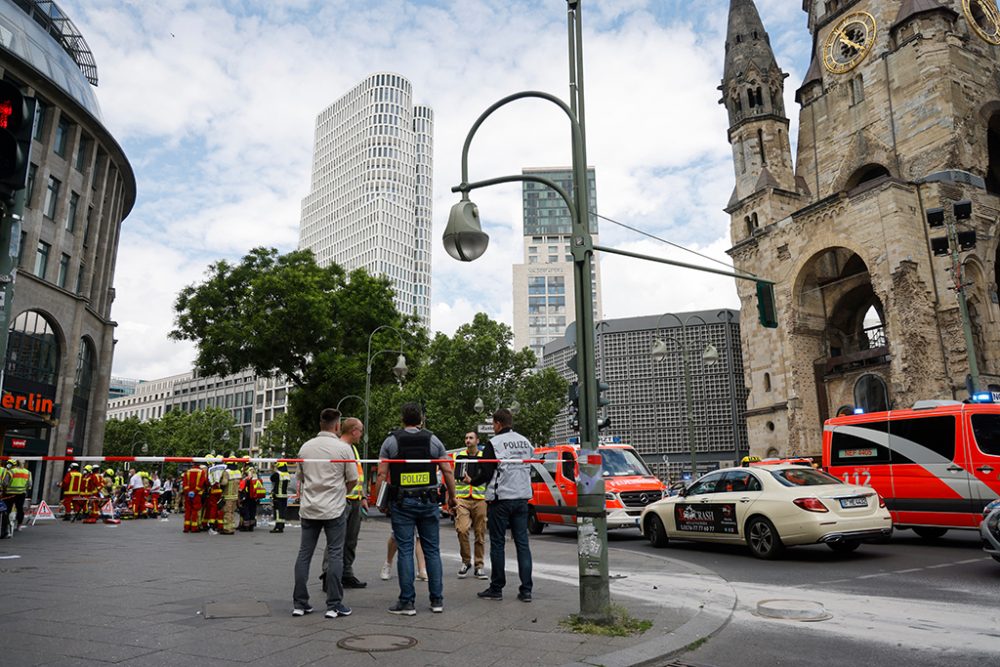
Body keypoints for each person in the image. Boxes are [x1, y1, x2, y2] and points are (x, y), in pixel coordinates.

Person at [377, 402, 456, 616]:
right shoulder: (433, 440)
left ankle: (407, 603)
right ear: (421, 420)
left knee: (405, 550)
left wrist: (381, 503)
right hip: (429, 501)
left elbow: (382, 474)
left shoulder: (391, 441)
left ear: (402, 419)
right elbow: (447, 471)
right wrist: (453, 498)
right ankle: (437, 600)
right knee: (432, 550)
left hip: (402, 502)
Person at [292, 408, 357, 619]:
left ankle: (300, 603)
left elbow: (299, 478)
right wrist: (341, 493)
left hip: (309, 508)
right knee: (336, 554)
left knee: (304, 554)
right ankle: (334, 604)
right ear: (337, 426)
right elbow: (353, 479)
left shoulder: (305, 447)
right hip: (334, 509)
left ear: (321, 424)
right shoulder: (343, 449)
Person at [469, 408, 534, 603]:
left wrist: (471, 480)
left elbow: (486, 473)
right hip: (522, 499)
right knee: (522, 544)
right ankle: (526, 590)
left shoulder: (494, 443)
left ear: (497, 424)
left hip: (501, 499)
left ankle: (496, 588)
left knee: (498, 543)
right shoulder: (525, 442)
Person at [452, 431, 488, 579]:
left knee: (480, 533)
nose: (468, 440)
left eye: (471, 438)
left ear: (477, 441)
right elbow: (452, 478)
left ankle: (479, 565)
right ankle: (466, 561)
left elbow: (488, 476)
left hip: (480, 498)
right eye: (466, 438)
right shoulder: (458, 456)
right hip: (462, 498)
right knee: (462, 529)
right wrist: (451, 497)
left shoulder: (484, 457)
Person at [340, 417, 368, 589]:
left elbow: (357, 476)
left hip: (355, 500)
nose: (362, 435)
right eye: (361, 431)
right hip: (342, 500)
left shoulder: (354, 450)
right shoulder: (340, 448)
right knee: (336, 541)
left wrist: (363, 496)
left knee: (351, 541)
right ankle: (329, 575)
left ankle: (347, 573)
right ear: (354, 431)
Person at [5, 460, 32, 531]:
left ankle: (6, 525)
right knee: (19, 509)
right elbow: (29, 485)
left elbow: (5, 483)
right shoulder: (28, 472)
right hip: (21, 493)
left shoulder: (11, 471)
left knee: (7, 509)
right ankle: (19, 525)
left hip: (10, 493)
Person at [181, 464, 207, 533]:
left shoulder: (187, 472)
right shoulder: (201, 472)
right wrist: (195, 491)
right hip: (197, 495)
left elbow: (184, 483)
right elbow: (202, 483)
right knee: (195, 511)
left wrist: (188, 491)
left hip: (188, 495)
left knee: (188, 511)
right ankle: (194, 528)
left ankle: (186, 528)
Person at [239, 466, 265, 531]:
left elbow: (241, 489)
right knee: (252, 512)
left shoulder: (246, 479)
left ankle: (246, 527)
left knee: (246, 511)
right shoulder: (257, 479)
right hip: (254, 498)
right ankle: (251, 526)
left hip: (247, 497)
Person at [270, 461, 292, 533]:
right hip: (284, 496)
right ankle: (281, 526)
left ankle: (277, 526)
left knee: (277, 511)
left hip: (278, 495)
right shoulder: (287, 474)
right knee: (282, 511)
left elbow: (272, 478)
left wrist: (274, 470)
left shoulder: (278, 474)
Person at [221, 457, 241, 534]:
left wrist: (219, 482)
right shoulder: (238, 472)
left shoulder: (227, 472)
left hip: (227, 495)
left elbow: (224, 483)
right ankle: (232, 527)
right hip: (235, 495)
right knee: (232, 512)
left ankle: (227, 529)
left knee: (227, 512)